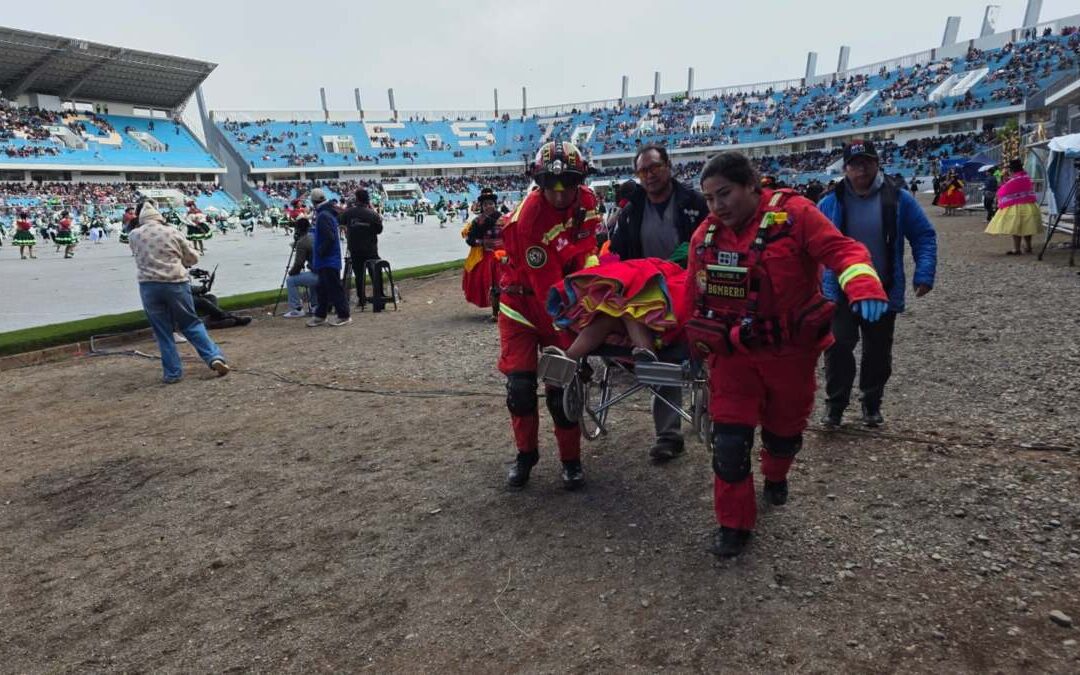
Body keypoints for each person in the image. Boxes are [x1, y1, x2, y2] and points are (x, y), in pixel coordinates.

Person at [685, 151, 889, 558]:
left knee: (783, 435)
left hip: (789, 356)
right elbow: (692, 295)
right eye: (709, 199)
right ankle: (733, 524)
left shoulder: (795, 216)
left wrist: (863, 285)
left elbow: (844, 251)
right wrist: (685, 343)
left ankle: (776, 475)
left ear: (750, 185)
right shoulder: (705, 236)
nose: (717, 206)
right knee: (728, 445)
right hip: (733, 360)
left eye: (724, 194)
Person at [499, 141, 600, 490]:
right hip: (523, 306)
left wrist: (591, 286)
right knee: (520, 387)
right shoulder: (528, 220)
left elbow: (587, 248)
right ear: (539, 183)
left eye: (567, 184)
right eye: (550, 186)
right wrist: (577, 327)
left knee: (561, 388)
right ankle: (526, 455)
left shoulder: (588, 202)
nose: (559, 194)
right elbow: (545, 288)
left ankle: (571, 461)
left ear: (579, 181)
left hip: (563, 296)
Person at [817, 140, 937, 428]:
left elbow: (923, 235)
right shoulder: (829, 202)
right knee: (838, 347)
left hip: (882, 289)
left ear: (877, 163)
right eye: (855, 164)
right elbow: (812, 246)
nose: (862, 169)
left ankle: (871, 403)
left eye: (867, 162)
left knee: (878, 351)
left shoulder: (898, 199)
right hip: (840, 291)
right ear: (845, 168)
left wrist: (925, 273)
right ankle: (835, 406)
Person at [608, 143, 708, 462]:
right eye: (643, 170)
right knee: (660, 356)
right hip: (648, 293)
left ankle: (715, 416)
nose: (649, 175)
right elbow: (620, 254)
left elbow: (712, 240)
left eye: (654, 168)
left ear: (668, 166)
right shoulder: (632, 210)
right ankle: (668, 434)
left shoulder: (694, 202)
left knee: (701, 352)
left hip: (689, 289)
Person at [128, 199, 230, 383]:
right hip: (175, 282)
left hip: (148, 286)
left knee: (162, 331)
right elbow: (192, 258)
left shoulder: (134, 235)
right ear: (159, 217)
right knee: (191, 323)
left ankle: (172, 374)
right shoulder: (172, 231)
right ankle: (214, 357)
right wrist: (182, 261)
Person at [307, 188, 351, 327]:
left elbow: (329, 238)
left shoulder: (323, 215)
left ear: (313, 201)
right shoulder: (327, 213)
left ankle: (344, 315)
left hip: (327, 259)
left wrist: (320, 252)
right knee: (323, 288)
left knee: (334, 288)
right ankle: (321, 315)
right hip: (328, 259)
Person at [984, 158, 1044, 255]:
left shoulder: (1014, 180)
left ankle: (1017, 249)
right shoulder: (1026, 177)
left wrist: (1003, 184)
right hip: (1029, 205)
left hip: (1016, 206)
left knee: (1016, 227)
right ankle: (1028, 247)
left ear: (1012, 170)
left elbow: (1002, 191)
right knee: (1027, 227)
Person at [339, 188, 385, 311]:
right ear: (367, 200)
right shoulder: (372, 214)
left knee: (359, 275)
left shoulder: (348, 213)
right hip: (370, 249)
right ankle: (379, 298)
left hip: (354, 249)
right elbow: (379, 230)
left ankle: (362, 299)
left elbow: (341, 222)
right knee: (375, 274)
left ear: (357, 199)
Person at [461, 187, 502, 319]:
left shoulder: (503, 218)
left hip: (504, 253)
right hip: (488, 256)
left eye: (490, 203)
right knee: (493, 284)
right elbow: (470, 239)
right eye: (485, 204)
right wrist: (482, 243)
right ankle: (496, 312)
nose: (488, 206)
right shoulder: (478, 221)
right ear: (482, 206)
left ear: (495, 204)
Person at [281, 218, 320, 317]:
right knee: (311, 279)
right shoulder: (314, 237)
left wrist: (290, 272)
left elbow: (298, 264)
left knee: (290, 280)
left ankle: (296, 309)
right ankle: (315, 305)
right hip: (325, 272)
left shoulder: (302, 242)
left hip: (318, 274)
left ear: (297, 229)